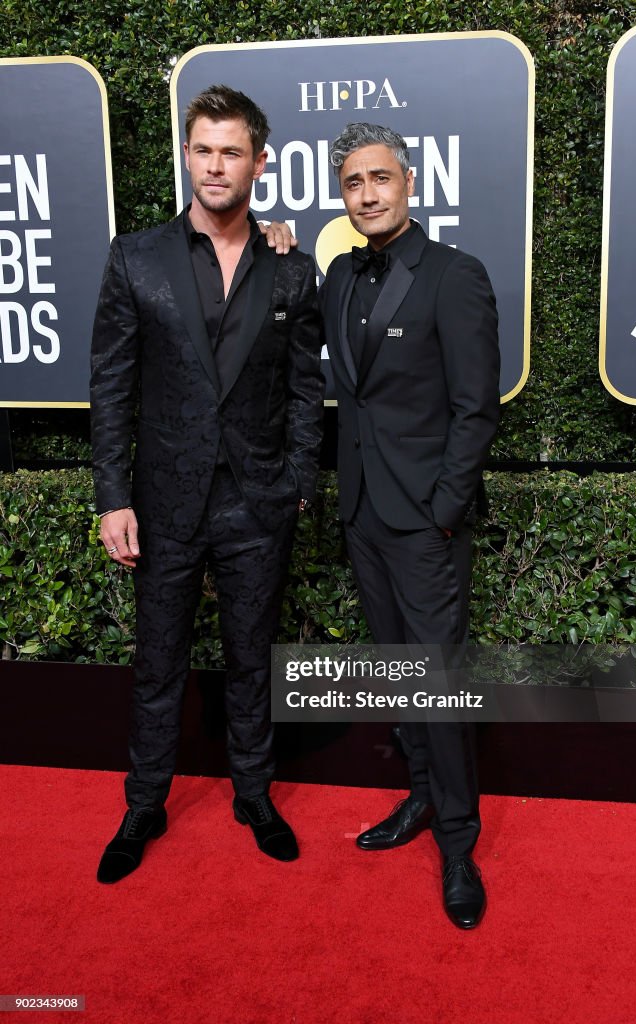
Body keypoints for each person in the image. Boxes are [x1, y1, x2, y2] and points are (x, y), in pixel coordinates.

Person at [90, 85, 324, 883]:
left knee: (252, 659)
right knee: (158, 662)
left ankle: (254, 796)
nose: (214, 165)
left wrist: (298, 480)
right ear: (186, 155)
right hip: (163, 502)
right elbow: (111, 385)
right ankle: (145, 802)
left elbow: (304, 389)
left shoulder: (291, 269)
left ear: (259, 162)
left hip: (258, 501)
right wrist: (111, 497)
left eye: (230, 151)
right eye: (202, 149)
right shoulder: (136, 257)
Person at [319, 123, 500, 929]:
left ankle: (459, 844)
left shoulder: (454, 276)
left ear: (409, 182)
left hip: (424, 522)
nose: (367, 194)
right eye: (353, 183)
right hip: (361, 510)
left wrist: (442, 513)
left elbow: (475, 408)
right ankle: (422, 799)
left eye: (379, 179)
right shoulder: (334, 277)